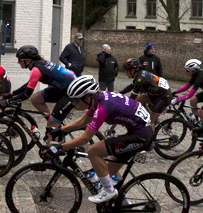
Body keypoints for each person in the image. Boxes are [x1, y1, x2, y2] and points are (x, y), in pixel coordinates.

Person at [45, 75, 153, 203]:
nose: (74, 105)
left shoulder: (103, 107)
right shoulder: (98, 99)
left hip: (140, 136)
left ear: (86, 98)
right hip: (141, 132)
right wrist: (61, 130)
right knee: (107, 171)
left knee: (94, 151)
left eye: (75, 101)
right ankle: (123, 204)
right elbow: (83, 121)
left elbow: (84, 139)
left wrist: (58, 148)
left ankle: (108, 191)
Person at [4, 45, 76, 131]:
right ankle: (54, 122)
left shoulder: (36, 69)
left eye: (19, 60)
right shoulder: (40, 64)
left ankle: (55, 134)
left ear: (28, 60)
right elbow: (28, 85)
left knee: (51, 124)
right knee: (36, 98)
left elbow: (26, 94)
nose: (18, 62)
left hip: (71, 91)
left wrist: (8, 102)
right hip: (65, 87)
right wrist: (11, 94)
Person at [119, 58, 172, 130]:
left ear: (132, 71)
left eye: (126, 71)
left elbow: (132, 97)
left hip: (164, 97)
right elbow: (130, 87)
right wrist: (119, 94)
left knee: (150, 122)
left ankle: (151, 140)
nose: (125, 73)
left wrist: (123, 107)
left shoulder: (140, 79)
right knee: (139, 100)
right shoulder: (139, 74)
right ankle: (148, 114)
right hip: (157, 92)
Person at [172, 59, 203, 126]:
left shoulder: (200, 78)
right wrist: (174, 92)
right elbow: (186, 87)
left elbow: (190, 94)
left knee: (202, 113)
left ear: (193, 70)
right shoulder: (195, 75)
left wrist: (176, 100)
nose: (186, 72)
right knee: (193, 100)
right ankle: (196, 123)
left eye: (187, 70)